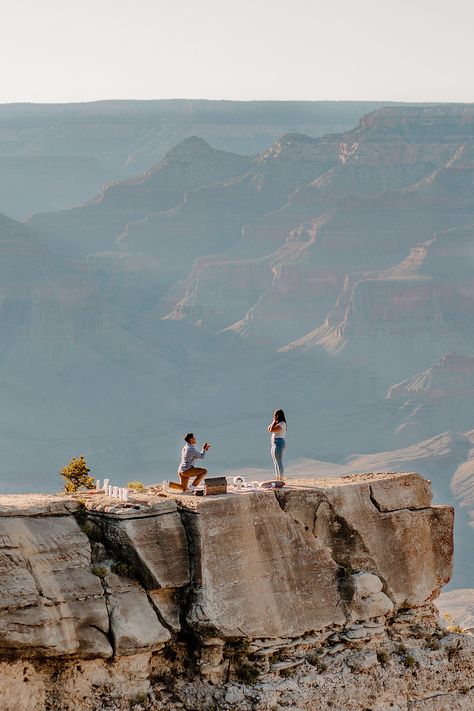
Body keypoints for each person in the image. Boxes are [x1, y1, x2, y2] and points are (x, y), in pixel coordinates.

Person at [267, 409, 287, 480]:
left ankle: (281, 478)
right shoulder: (277, 423)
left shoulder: (282, 424)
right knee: (275, 461)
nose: (274, 416)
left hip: (279, 443)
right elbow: (269, 429)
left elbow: (272, 430)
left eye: (275, 415)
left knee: (279, 461)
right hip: (274, 443)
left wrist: (273, 421)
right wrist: (274, 422)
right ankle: (277, 477)